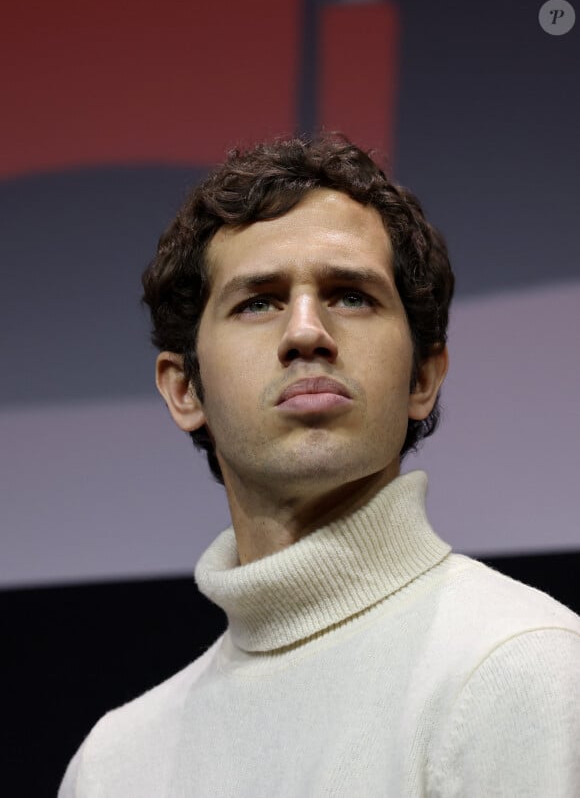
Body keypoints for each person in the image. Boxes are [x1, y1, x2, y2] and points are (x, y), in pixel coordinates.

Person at [59, 136, 579, 796]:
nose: (306, 331)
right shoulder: (112, 766)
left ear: (423, 375)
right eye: (259, 301)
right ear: (184, 389)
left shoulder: (528, 668)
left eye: (350, 295)